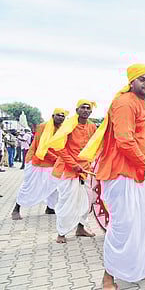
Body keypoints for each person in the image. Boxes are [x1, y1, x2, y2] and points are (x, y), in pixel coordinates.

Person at [77, 61, 145, 289]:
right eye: (142, 79)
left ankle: (139, 263)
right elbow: (125, 140)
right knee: (123, 224)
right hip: (120, 173)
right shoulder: (124, 103)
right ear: (131, 81)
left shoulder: (143, 105)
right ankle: (109, 275)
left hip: (137, 173)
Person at [48, 100, 97, 244]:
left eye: (88, 108)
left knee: (86, 201)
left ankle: (80, 228)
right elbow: (60, 148)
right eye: (83, 107)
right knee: (66, 202)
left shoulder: (92, 126)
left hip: (85, 169)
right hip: (69, 169)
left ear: (91, 112)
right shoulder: (69, 125)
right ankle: (61, 233)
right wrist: (73, 164)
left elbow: (95, 146)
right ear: (77, 110)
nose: (86, 110)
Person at [11, 109, 68, 220]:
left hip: (54, 162)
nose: (61, 117)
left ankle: (50, 208)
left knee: (54, 185)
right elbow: (40, 146)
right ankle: (16, 209)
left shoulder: (63, 129)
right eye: (58, 115)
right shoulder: (43, 126)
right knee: (30, 186)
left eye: (63, 116)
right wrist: (57, 158)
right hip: (37, 161)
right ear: (53, 116)